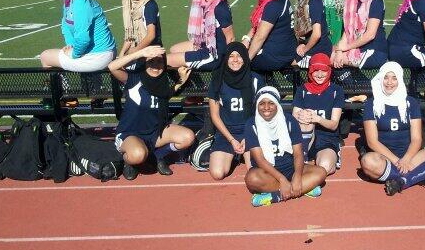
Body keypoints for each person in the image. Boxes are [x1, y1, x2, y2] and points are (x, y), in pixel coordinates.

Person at [359, 62, 425, 195]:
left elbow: (416, 139)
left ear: (400, 79)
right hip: (386, 159)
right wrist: (397, 161)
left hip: (411, 158)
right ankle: (418, 177)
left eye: (394, 78)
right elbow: (372, 142)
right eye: (386, 77)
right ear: (380, 79)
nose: (389, 82)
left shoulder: (411, 102)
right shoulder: (371, 104)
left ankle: (404, 181)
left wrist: (406, 159)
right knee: (367, 162)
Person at [108, 46, 195, 180]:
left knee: (188, 137)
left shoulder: (162, 82)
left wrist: (181, 81)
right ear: (144, 62)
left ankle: (158, 156)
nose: (155, 65)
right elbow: (112, 67)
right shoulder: (134, 79)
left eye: (159, 61)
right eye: (151, 61)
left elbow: (167, 94)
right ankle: (128, 162)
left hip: (154, 133)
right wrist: (140, 53)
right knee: (138, 155)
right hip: (130, 133)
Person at [245, 87, 327, 206]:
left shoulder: (289, 121)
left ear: (277, 104)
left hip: (290, 167)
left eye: (271, 103)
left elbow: (298, 153)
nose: (266, 107)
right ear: (257, 106)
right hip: (267, 171)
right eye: (262, 103)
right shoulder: (251, 124)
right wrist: (282, 180)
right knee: (252, 179)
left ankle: (275, 196)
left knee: (321, 172)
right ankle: (303, 189)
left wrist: (298, 176)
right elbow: (260, 160)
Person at [40, 0, 116, 72]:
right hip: (102, 52)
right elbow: (65, 24)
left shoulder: (82, 3)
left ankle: (62, 88)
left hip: (99, 55)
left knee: (45, 56)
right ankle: (96, 88)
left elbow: (83, 39)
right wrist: (71, 45)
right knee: (79, 61)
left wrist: (74, 54)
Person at [207, 42, 266, 180]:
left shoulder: (256, 80)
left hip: (251, 131)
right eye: (231, 56)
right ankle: (234, 156)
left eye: (239, 56)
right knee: (217, 173)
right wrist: (232, 140)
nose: (235, 60)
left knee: (256, 173)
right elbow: (215, 116)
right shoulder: (218, 80)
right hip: (227, 134)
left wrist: (249, 135)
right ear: (226, 59)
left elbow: (263, 113)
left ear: (245, 58)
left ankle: (243, 155)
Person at [168, 0, 234, 71]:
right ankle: (191, 80)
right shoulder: (207, 5)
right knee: (174, 49)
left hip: (214, 56)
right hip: (205, 45)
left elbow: (231, 38)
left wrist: (229, 64)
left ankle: (183, 84)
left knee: (166, 60)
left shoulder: (220, 9)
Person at [292, 53, 345, 175]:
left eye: (324, 70)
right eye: (316, 70)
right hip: (304, 138)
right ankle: (304, 156)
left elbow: (334, 125)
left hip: (327, 138)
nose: (320, 75)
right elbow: (294, 118)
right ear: (310, 71)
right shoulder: (302, 90)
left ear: (329, 71)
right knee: (304, 117)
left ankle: (330, 155)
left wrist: (317, 119)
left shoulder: (336, 91)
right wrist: (304, 116)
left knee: (325, 167)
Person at [332, 0, 388, 69]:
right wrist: (340, 49)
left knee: (330, 58)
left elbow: (370, 35)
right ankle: (361, 84)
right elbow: (348, 29)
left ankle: (363, 84)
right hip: (360, 48)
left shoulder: (376, 1)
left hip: (374, 51)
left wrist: (346, 47)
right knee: (330, 53)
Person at [243, 0, 297, 72]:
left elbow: (260, 37)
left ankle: (259, 85)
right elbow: (259, 24)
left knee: (237, 61)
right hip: (287, 50)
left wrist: (245, 61)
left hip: (277, 56)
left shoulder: (273, 4)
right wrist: (247, 38)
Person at [118, 0, 161, 64]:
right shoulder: (132, 6)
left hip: (151, 53)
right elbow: (131, 35)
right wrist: (122, 53)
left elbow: (151, 35)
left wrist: (135, 51)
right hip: (139, 51)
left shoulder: (149, 5)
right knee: (115, 66)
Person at [292, 0, 333, 68]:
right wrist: (302, 44)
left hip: (319, 49)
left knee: (288, 62)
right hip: (313, 45)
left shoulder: (314, 0)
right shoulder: (303, 1)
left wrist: (304, 49)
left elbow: (317, 34)